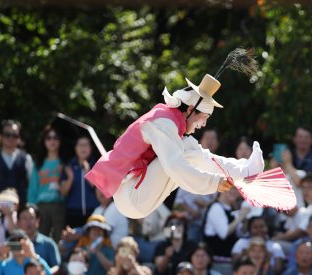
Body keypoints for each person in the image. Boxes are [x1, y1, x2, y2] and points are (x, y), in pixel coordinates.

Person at [86, 67, 265, 219]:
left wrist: (233, 175)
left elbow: (202, 158)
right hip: (131, 195)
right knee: (185, 152)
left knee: (194, 151)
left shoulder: (172, 125)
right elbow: (175, 166)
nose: (203, 124)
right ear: (189, 110)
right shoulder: (163, 123)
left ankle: (244, 169)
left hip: (137, 194)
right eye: (203, 118)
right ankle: (244, 170)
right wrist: (213, 183)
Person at [0, 120, 33, 212]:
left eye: (15, 135)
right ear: (1, 136)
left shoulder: (26, 158)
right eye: (7, 134)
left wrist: (30, 203)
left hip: (20, 209)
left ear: (19, 138)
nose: (11, 138)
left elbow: (32, 183)